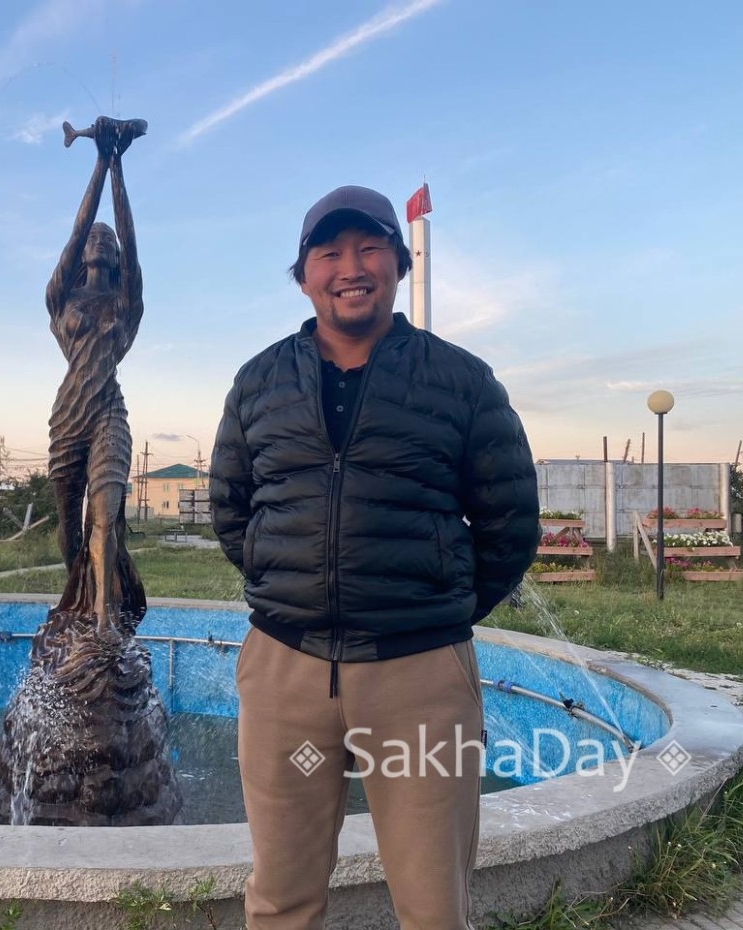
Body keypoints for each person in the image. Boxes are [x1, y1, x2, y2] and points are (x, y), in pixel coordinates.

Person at [210, 185, 539, 930]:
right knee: (281, 898)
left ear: (398, 264)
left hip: (418, 678)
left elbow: (510, 521)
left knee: (433, 906)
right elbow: (232, 508)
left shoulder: (462, 381)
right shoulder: (259, 382)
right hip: (285, 673)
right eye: (329, 252)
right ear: (303, 275)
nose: (350, 267)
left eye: (369, 248)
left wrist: (433, 608)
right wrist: (285, 585)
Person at [45, 116, 144, 633]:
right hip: (67, 417)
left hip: (109, 413)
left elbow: (129, 237)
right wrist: (99, 162)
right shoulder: (62, 297)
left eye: (109, 239)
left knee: (104, 515)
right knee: (68, 524)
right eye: (95, 237)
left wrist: (118, 166)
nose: (101, 240)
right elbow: (77, 231)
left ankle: (105, 625)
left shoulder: (126, 302)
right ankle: (77, 604)